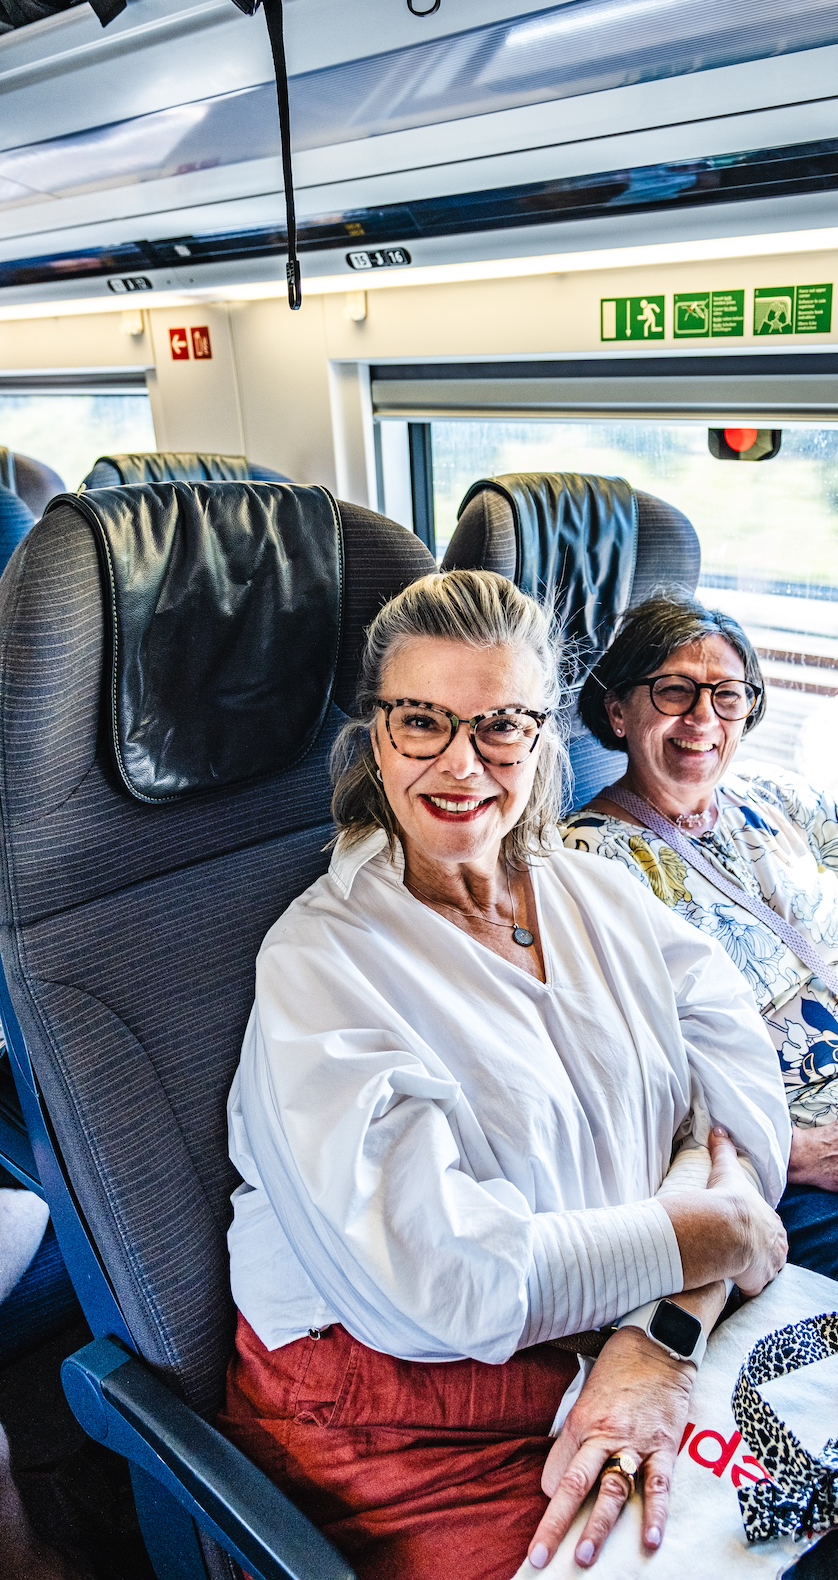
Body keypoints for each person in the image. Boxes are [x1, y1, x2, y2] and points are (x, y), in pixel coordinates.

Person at [219, 570, 791, 1580]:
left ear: (542, 737)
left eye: (499, 728)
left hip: (611, 1336)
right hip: (394, 1411)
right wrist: (716, 1229)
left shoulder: (589, 889)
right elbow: (449, 1281)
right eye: (421, 723)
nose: (460, 764)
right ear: (373, 736)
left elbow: (740, 1101)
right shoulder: (320, 963)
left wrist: (662, 1327)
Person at [562, 592, 838, 1300]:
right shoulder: (585, 864)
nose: (703, 719)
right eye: (675, 691)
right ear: (618, 712)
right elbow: (621, 1078)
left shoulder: (770, 798)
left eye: (727, 696)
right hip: (785, 1167)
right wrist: (792, 1153)